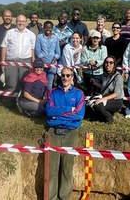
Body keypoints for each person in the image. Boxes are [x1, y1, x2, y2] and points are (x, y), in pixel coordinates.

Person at [45, 67, 85, 200]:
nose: (65, 78)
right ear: (60, 77)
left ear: (72, 77)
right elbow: (49, 112)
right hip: (54, 133)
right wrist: (69, 109)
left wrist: (58, 116)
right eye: (63, 75)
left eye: (68, 75)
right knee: (52, 169)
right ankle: (51, 198)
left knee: (67, 169)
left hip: (71, 133)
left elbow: (79, 115)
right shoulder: (52, 93)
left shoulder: (79, 94)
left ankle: (64, 198)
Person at [0, 14, 36, 95]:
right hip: (11, 62)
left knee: (23, 83)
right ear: (16, 22)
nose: (21, 23)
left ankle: (19, 102)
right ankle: (9, 102)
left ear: (26, 23)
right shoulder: (9, 33)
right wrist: (2, 63)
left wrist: (33, 63)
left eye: (23, 21)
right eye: (19, 21)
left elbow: (32, 50)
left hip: (26, 62)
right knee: (11, 83)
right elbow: (4, 47)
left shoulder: (31, 35)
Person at [87, 56, 124, 123]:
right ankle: (101, 117)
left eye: (111, 62)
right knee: (91, 104)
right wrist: (95, 83)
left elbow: (116, 94)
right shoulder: (104, 75)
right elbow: (105, 87)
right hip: (106, 98)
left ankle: (109, 120)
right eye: (106, 62)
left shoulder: (118, 77)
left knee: (99, 106)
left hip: (116, 101)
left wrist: (102, 100)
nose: (108, 64)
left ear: (114, 64)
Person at [0, 9, 15, 92]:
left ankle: (9, 96)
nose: (8, 17)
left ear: (12, 17)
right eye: (6, 16)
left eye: (9, 16)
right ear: (2, 16)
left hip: (12, 59)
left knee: (11, 78)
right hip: (0, 58)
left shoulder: (15, 28)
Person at [35, 21, 60, 89]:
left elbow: (58, 53)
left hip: (53, 64)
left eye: (50, 28)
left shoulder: (56, 38)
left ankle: (48, 97)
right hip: (42, 64)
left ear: (52, 28)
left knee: (49, 83)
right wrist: (44, 63)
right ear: (43, 28)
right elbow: (38, 51)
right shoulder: (39, 37)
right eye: (46, 27)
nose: (48, 29)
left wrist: (51, 63)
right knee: (41, 81)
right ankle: (40, 97)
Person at [81, 30, 107, 95]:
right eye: (94, 38)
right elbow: (83, 60)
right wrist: (88, 62)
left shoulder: (103, 48)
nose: (95, 40)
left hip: (99, 73)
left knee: (97, 91)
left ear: (100, 39)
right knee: (88, 90)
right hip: (87, 73)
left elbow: (104, 59)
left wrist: (95, 62)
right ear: (91, 38)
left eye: (97, 38)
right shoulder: (85, 48)